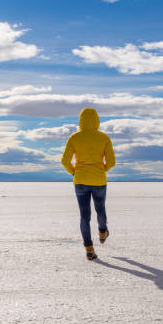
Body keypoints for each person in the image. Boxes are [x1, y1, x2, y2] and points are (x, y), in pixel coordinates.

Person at [61, 108, 116, 260]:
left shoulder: (74, 138)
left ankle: (89, 248)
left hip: (80, 181)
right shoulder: (103, 138)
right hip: (99, 180)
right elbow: (111, 162)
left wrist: (74, 172)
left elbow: (65, 161)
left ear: (81, 120)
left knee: (84, 216)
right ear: (97, 120)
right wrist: (101, 169)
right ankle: (103, 231)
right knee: (100, 209)